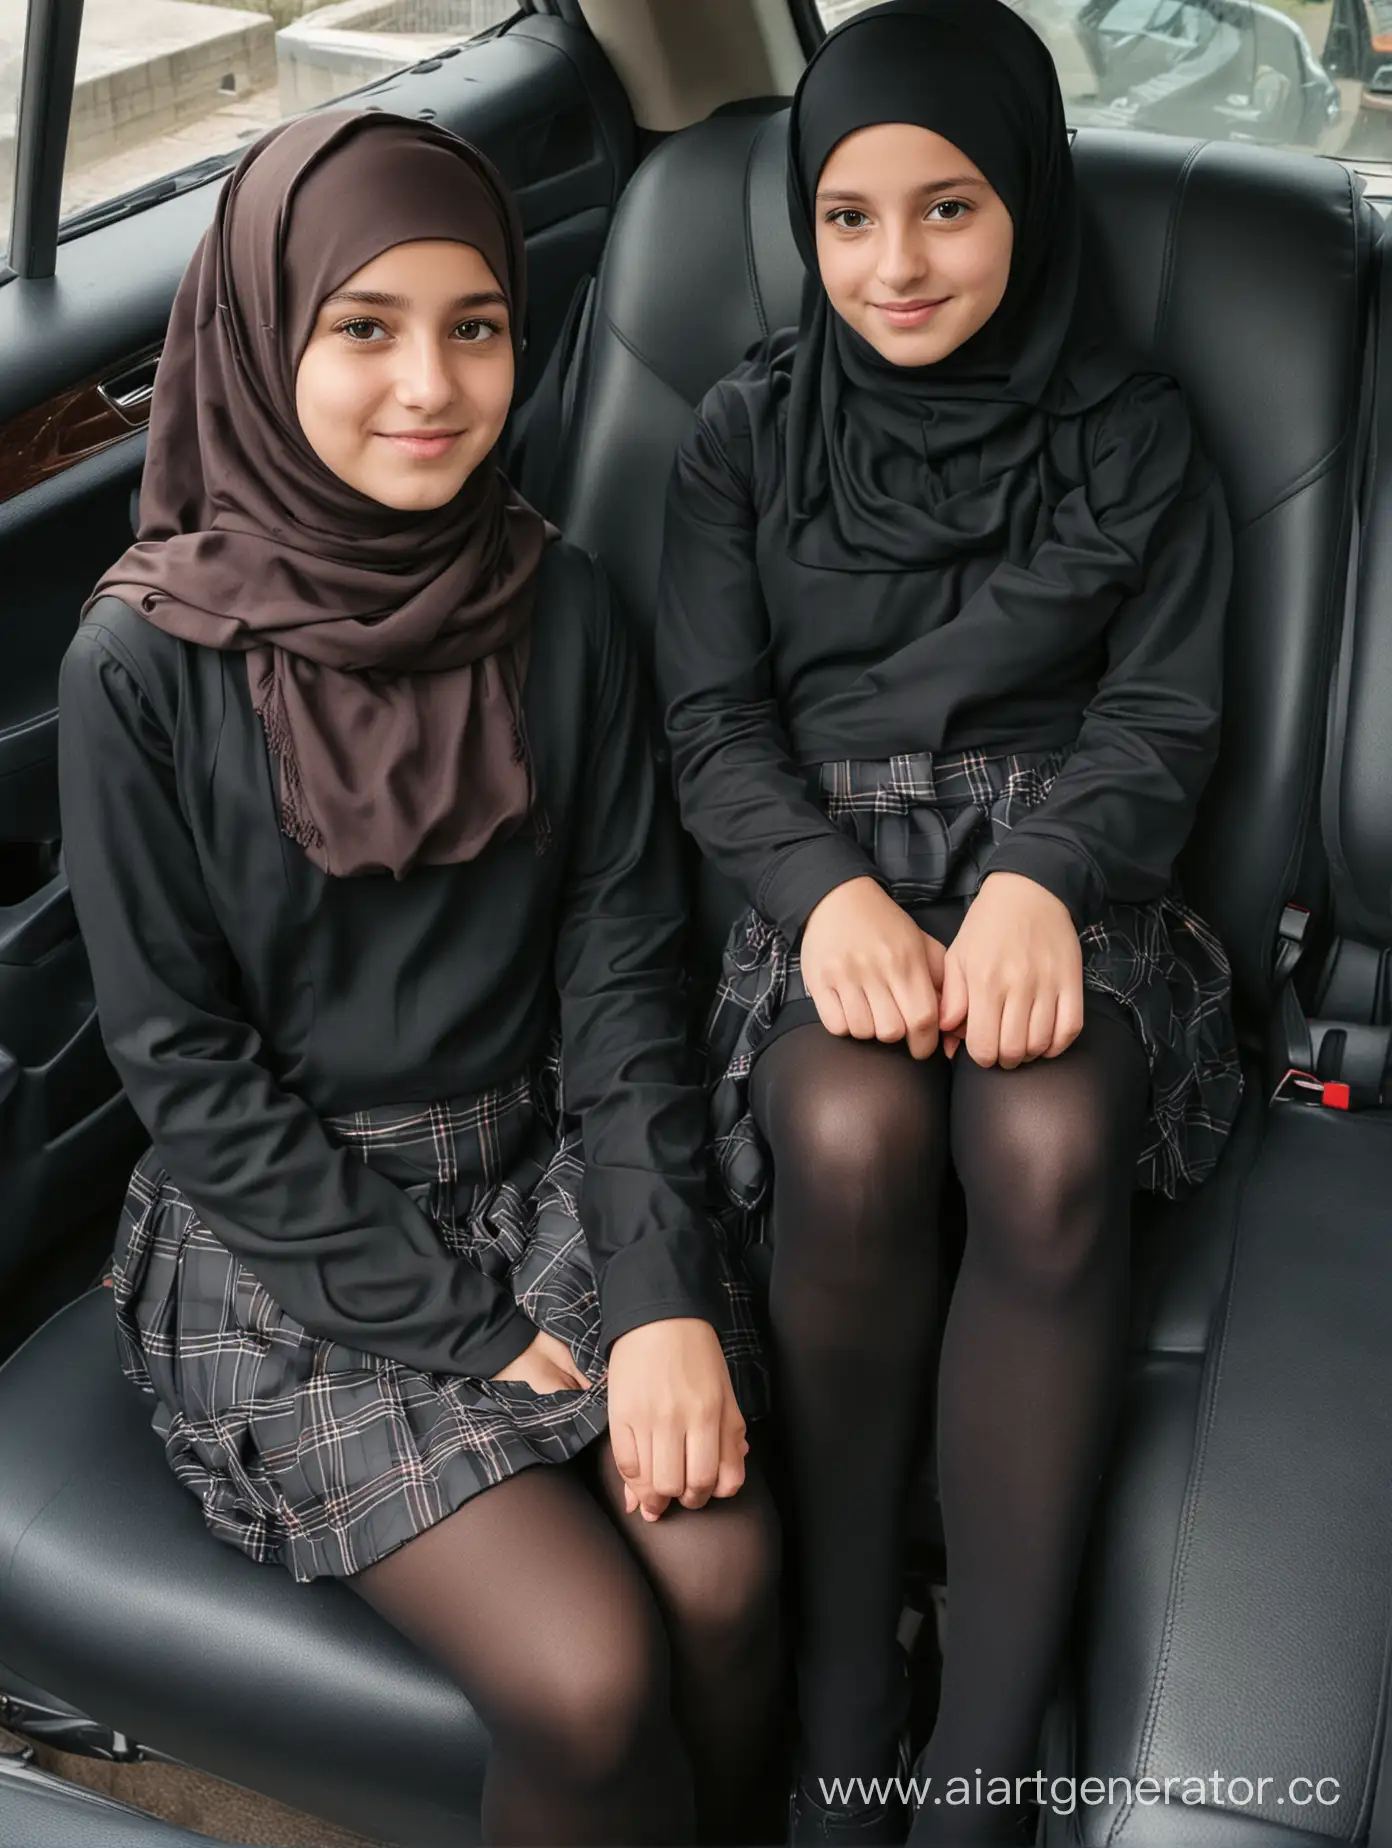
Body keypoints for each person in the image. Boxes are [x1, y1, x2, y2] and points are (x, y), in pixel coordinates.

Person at [58, 110, 780, 1848]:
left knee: (731, 1584)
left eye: (476, 325)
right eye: (362, 329)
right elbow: (188, 1073)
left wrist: (662, 1287)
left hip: (550, 1171)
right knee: (591, 1674)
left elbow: (624, 977)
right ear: (259, 335)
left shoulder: (567, 608)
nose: (431, 385)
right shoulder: (138, 663)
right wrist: (468, 1333)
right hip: (283, 1240)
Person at [655, 3, 1241, 1842]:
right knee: (845, 1124)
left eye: (948, 209)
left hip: (1067, 867)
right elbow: (712, 722)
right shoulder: (744, 436)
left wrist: (1039, 886)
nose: (893, 265)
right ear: (804, 223)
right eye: (848, 216)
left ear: (1032, 204)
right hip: (818, 875)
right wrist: (823, 893)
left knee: (1049, 1129)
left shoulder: (1140, 437)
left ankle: (987, 1742)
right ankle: (846, 1687)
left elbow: (1163, 714)